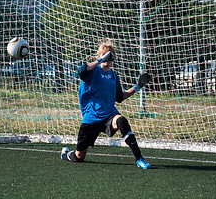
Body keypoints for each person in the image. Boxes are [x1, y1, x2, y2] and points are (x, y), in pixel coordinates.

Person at [60, 41, 153, 169]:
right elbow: (81, 71)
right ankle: (65, 154)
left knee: (122, 121)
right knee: (79, 157)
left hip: (109, 115)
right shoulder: (92, 72)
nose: (107, 59)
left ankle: (139, 159)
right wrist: (100, 60)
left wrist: (138, 86)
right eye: (104, 55)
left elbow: (120, 97)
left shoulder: (113, 76)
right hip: (91, 118)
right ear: (99, 56)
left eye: (110, 56)